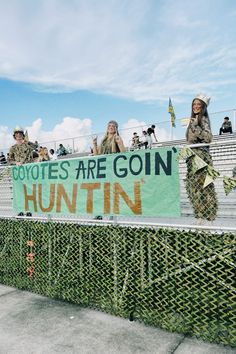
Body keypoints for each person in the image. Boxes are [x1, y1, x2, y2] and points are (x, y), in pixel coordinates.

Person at [185, 93, 218, 223]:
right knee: (194, 188)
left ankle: (208, 216)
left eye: (198, 104)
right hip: (192, 157)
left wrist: (195, 127)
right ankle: (199, 215)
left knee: (205, 186)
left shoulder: (203, 119)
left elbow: (208, 138)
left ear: (203, 107)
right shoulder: (192, 120)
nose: (196, 106)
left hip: (202, 157)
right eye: (194, 104)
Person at [8, 126, 34, 217]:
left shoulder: (27, 145)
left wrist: (26, 141)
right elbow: (9, 160)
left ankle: (28, 210)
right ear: (14, 136)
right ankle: (21, 210)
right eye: (16, 134)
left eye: (20, 133)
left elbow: (36, 146)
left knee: (28, 191)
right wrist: (16, 162)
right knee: (19, 192)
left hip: (28, 172)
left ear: (23, 135)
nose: (18, 135)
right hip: (18, 173)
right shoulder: (13, 148)